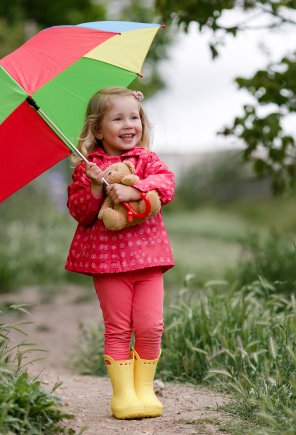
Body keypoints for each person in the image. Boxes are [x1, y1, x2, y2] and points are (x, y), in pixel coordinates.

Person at [65, 86, 174, 420]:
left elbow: (166, 185)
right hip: (108, 263)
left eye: (134, 117)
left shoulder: (146, 160)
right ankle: (123, 395)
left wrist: (134, 187)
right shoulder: (88, 169)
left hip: (149, 259)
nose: (129, 125)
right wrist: (96, 186)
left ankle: (144, 389)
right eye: (118, 119)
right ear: (98, 129)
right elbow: (80, 213)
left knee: (151, 325)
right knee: (118, 328)